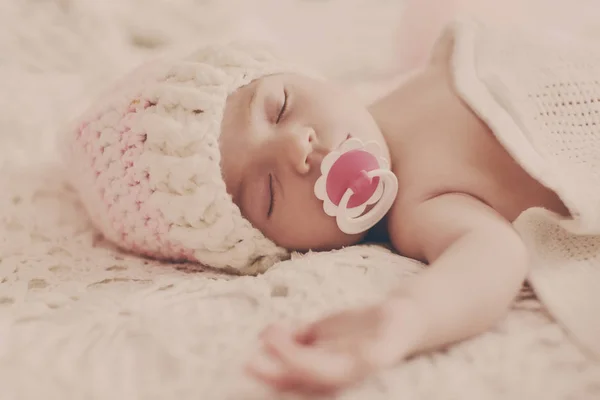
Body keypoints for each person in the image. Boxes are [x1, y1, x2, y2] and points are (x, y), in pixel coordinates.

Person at [61, 16, 598, 396]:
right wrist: (407, 318)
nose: (295, 149)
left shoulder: (419, 70)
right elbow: (492, 257)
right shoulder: (421, 206)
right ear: (270, 247)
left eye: (279, 106)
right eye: (267, 193)